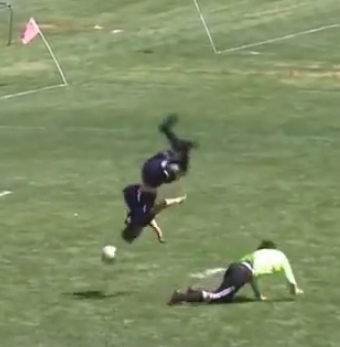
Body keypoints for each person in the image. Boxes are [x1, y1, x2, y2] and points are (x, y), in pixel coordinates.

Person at [121, 114, 197, 243]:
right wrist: (158, 232)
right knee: (176, 152)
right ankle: (166, 130)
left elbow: (162, 205)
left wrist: (178, 200)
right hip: (147, 171)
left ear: (135, 232)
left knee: (182, 171)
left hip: (155, 177)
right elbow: (128, 191)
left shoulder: (141, 218)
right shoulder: (133, 218)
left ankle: (186, 149)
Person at [169, 240, 303, 305]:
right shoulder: (281, 257)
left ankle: (192, 293)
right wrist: (295, 290)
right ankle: (180, 297)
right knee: (218, 298)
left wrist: (258, 295)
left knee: (224, 297)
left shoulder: (257, 253)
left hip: (236, 267)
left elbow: (252, 277)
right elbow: (291, 281)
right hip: (243, 273)